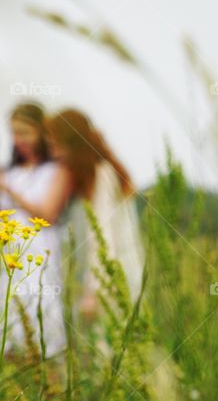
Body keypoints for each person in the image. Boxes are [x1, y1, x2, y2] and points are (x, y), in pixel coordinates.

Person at [0, 102, 72, 355]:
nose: (18, 140)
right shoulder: (11, 171)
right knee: (4, 320)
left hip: (38, 251)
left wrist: (6, 188)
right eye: (14, 133)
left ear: (42, 133)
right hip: (7, 252)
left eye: (24, 132)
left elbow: (48, 213)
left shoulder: (58, 170)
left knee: (39, 313)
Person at [46, 108, 144, 319]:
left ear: (71, 142)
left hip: (112, 279)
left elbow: (102, 235)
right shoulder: (93, 175)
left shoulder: (102, 175)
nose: (52, 150)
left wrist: (93, 292)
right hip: (109, 276)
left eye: (55, 143)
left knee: (109, 346)